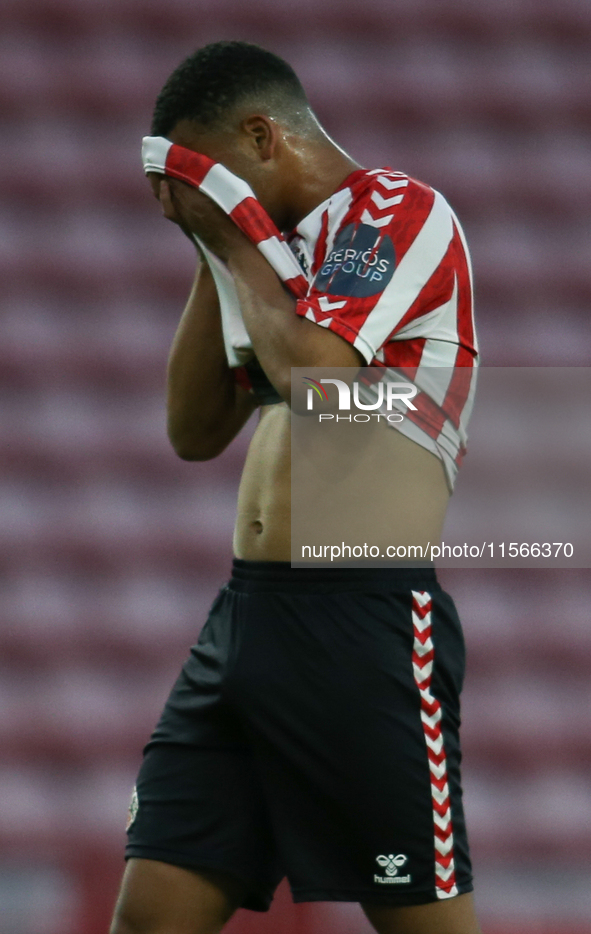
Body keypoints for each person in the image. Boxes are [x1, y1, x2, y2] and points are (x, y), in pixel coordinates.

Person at [110, 41, 481, 934]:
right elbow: (194, 433)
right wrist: (213, 250)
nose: (210, 201)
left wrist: (232, 235)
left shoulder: (397, 210)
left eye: (216, 174)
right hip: (247, 618)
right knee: (151, 916)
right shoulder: (273, 256)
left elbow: (323, 386)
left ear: (262, 136)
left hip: (363, 623)